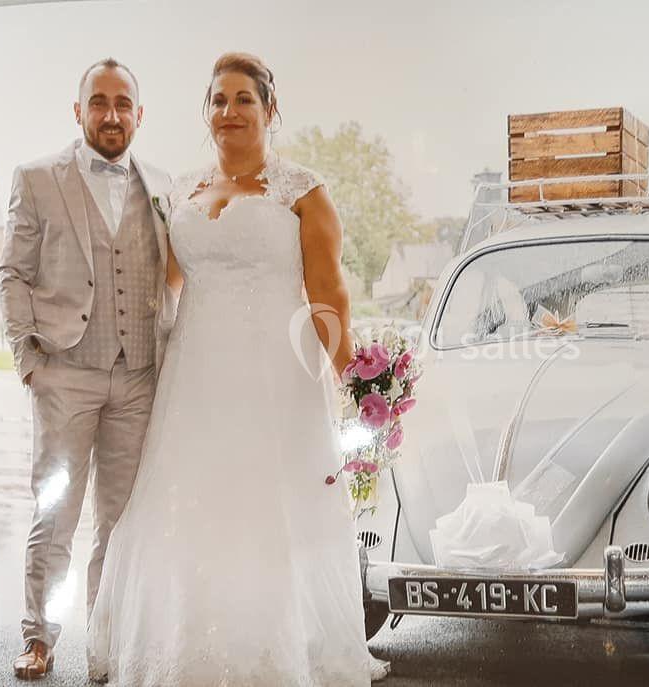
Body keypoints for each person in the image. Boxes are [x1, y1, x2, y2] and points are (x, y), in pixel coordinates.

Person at [86, 52, 389, 685]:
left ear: (270, 111)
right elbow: (164, 285)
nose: (228, 112)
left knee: (270, 509)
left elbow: (329, 296)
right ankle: (183, 644)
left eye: (243, 99)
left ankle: (278, 649)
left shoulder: (304, 193)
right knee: (187, 507)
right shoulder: (182, 192)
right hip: (192, 380)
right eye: (218, 101)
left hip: (275, 381)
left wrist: (357, 385)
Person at [0, 59, 173, 680]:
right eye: (98, 102)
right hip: (64, 370)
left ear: (140, 114)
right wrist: (29, 363)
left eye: (123, 103)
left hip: (137, 377)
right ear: (79, 111)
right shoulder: (38, 177)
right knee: (55, 513)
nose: (112, 114)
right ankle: (38, 637)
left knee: (121, 521)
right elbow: (12, 274)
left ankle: (107, 644)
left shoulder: (162, 184)